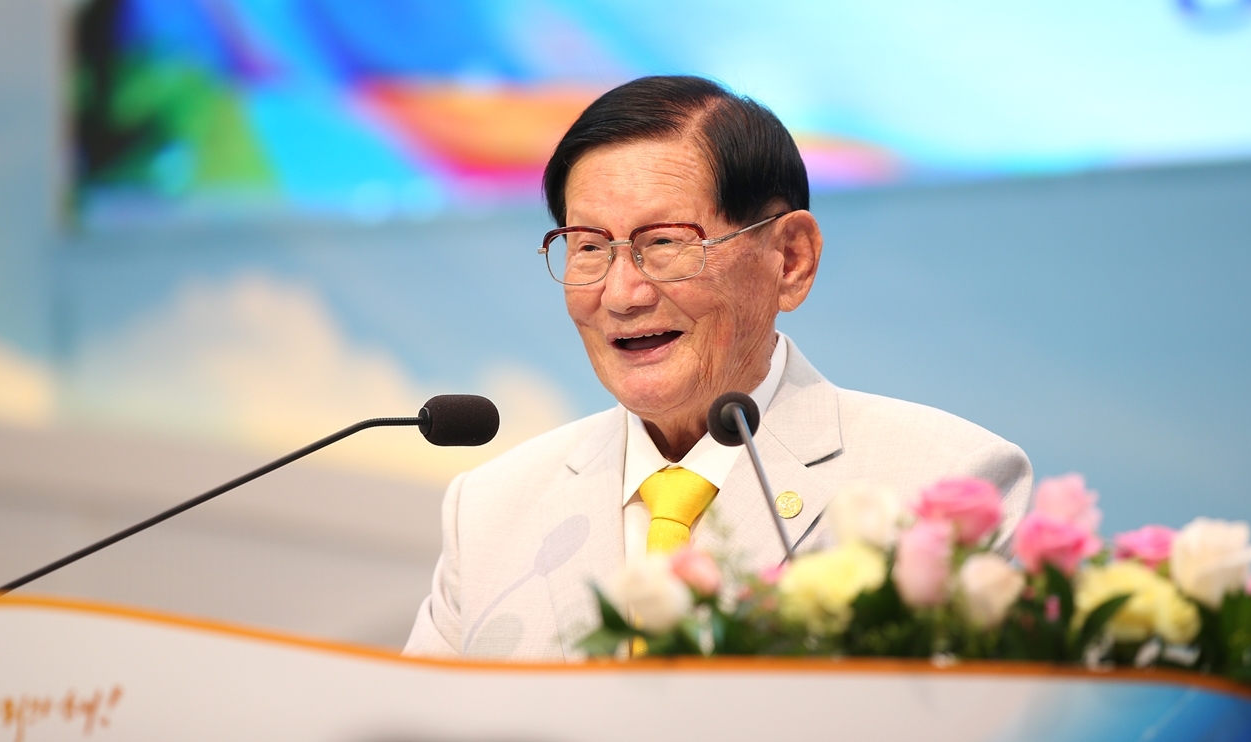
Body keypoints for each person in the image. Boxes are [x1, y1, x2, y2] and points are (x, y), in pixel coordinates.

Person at [404, 75, 1031, 661]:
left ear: (790, 259)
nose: (622, 294)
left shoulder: (946, 487)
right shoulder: (488, 509)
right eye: (589, 248)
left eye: (665, 242)